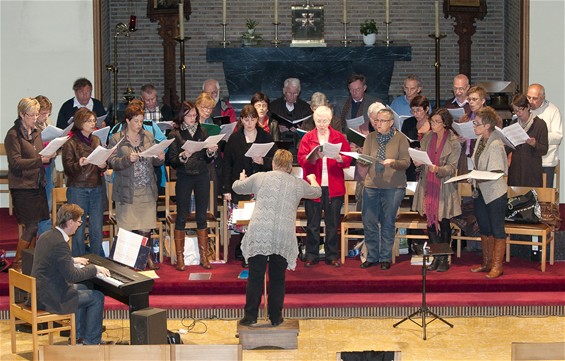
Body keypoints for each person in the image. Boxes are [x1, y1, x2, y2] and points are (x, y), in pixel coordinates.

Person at [234, 149, 321, 327]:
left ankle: (250, 316)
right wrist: (312, 179)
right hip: (283, 234)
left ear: (273, 163)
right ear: (290, 167)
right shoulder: (297, 183)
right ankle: (275, 317)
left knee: (256, 276)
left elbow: (236, 187)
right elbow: (316, 192)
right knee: (277, 278)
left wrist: (242, 179)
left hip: (260, 231)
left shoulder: (260, 177)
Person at [31, 203, 112, 345]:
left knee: (83, 289)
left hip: (41, 292)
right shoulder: (60, 243)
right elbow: (72, 276)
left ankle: (78, 336)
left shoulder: (46, 235)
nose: (80, 225)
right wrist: (94, 268)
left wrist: (72, 260)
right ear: (70, 222)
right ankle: (92, 342)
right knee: (97, 297)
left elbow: (52, 259)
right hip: (52, 298)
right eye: (79, 221)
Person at [107, 103, 165, 270]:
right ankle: (129, 261)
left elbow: (154, 160)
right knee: (128, 227)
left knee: (146, 226)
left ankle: (145, 258)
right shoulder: (117, 139)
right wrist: (127, 160)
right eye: (136, 121)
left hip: (146, 188)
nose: (139, 125)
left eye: (141, 121)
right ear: (127, 120)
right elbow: (112, 161)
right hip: (127, 189)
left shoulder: (148, 136)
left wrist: (159, 157)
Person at [297, 105, 352, 268]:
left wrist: (342, 159)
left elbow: (348, 158)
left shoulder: (338, 137)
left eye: (325, 121)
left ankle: (332, 255)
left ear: (330, 120)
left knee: (332, 223)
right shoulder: (308, 138)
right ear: (314, 120)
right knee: (313, 223)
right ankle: (311, 255)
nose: (321, 124)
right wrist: (314, 157)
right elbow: (301, 160)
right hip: (314, 185)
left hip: (334, 185)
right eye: (319, 121)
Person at [223, 105, 277, 266]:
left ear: (257, 120)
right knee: (245, 222)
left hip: (261, 185)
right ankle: (246, 252)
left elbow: (275, 162)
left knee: (260, 221)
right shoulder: (234, 139)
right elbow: (227, 165)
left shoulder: (265, 137)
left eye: (252, 119)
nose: (249, 122)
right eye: (246, 119)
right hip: (241, 185)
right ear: (241, 120)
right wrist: (226, 189)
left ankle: (258, 252)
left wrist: (263, 161)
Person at [5, 98, 55, 271]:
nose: (35, 118)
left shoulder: (36, 132)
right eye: (31, 115)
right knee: (32, 226)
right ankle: (18, 263)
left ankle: (29, 262)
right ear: (21, 114)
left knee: (36, 224)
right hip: (22, 186)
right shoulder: (13, 135)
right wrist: (39, 160)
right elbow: (16, 162)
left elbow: (39, 155)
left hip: (37, 184)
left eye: (36, 114)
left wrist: (50, 152)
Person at [167, 101, 218, 270]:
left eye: (195, 116)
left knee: (201, 215)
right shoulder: (175, 134)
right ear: (182, 116)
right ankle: (180, 258)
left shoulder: (202, 131)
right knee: (182, 215)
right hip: (184, 176)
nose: (193, 119)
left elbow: (207, 157)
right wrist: (183, 155)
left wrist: (211, 152)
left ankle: (204, 257)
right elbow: (172, 161)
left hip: (202, 175)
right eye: (189, 116)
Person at [359, 108, 410, 270]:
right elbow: (366, 159)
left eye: (382, 121)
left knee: (387, 221)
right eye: (376, 120)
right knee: (369, 221)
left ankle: (385, 257)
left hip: (393, 186)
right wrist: (360, 158)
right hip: (372, 185)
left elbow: (406, 163)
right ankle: (372, 256)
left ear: (391, 122)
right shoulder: (370, 138)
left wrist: (392, 162)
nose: (377, 124)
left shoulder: (401, 139)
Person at [413, 109, 461, 272]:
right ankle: (436, 257)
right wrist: (418, 162)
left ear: (445, 123)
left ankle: (445, 258)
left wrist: (438, 169)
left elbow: (452, 167)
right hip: (428, 185)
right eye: (432, 121)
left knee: (444, 222)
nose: (432, 125)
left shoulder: (453, 141)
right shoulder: (427, 137)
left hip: (444, 186)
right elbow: (421, 156)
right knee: (431, 223)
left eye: (436, 122)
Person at [469, 107, 508, 279]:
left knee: (497, 229)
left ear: (487, 126)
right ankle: (487, 263)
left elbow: (497, 172)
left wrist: (475, 176)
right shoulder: (480, 139)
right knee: (484, 227)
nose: (474, 126)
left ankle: (497, 266)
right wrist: (472, 175)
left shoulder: (496, 143)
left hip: (495, 192)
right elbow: (477, 164)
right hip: (480, 191)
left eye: (476, 124)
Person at [62, 107, 106, 257]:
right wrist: (79, 164)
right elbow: (68, 169)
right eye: (89, 121)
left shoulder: (96, 140)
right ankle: (78, 261)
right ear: (80, 122)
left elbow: (103, 162)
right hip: (78, 188)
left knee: (96, 228)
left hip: (96, 187)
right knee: (78, 229)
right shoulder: (70, 142)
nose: (93, 123)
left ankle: (97, 261)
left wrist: (103, 165)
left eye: (94, 121)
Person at [507, 94, 548, 187]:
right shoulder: (513, 124)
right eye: (515, 111)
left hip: (532, 169)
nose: (518, 113)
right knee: (514, 199)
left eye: (520, 110)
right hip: (516, 170)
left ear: (528, 107)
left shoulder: (540, 124)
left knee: (531, 198)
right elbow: (508, 148)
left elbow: (544, 149)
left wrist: (534, 144)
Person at [527, 83, 563, 187]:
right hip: (527, 160)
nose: (531, 101)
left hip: (546, 161)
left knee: (544, 197)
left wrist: (538, 136)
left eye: (535, 98)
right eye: (528, 97)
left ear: (543, 97)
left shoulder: (553, 110)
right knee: (526, 195)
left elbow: (558, 137)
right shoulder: (524, 110)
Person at [35, 95, 57, 236]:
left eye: (48, 113)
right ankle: (43, 236)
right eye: (43, 113)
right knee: (42, 206)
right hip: (38, 169)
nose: (46, 116)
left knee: (48, 204)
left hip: (49, 166)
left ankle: (46, 235)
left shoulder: (47, 123)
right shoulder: (30, 126)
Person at [401, 95, 431, 181]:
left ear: (426, 109)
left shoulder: (433, 123)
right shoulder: (408, 123)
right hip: (411, 164)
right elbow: (403, 142)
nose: (415, 114)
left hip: (428, 162)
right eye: (413, 111)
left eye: (418, 110)